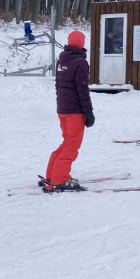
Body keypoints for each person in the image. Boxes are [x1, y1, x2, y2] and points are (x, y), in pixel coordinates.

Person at [42, 30, 95, 193]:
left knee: (66, 142)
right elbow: (82, 90)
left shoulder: (61, 60)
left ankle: (52, 175)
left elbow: (58, 86)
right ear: (81, 43)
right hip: (74, 111)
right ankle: (60, 179)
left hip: (63, 109)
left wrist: (61, 104)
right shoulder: (80, 62)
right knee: (72, 145)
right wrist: (88, 111)